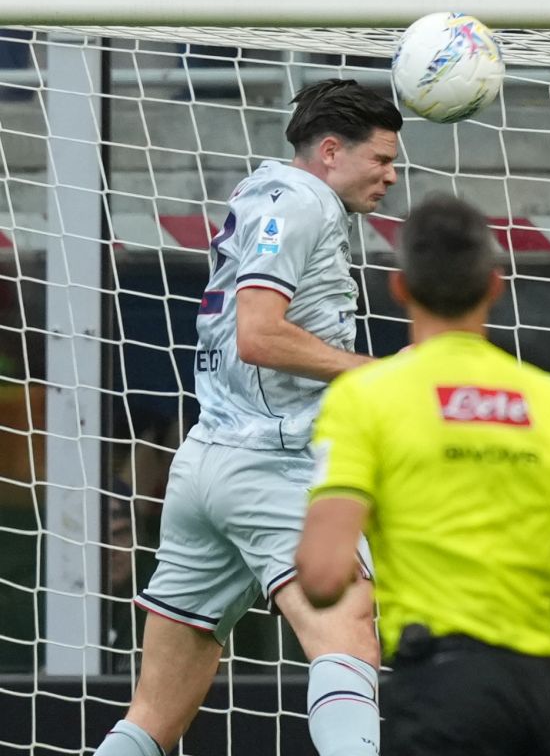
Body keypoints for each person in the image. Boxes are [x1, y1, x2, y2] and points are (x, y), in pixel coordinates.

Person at [294, 193, 550, 756]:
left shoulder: (366, 399)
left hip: (437, 687)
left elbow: (320, 576)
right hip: (538, 692)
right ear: (494, 285)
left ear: (400, 289)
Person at [93, 78, 405, 756]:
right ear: (330, 151)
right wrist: (380, 374)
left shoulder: (261, 191)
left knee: (153, 717)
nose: (392, 174)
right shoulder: (302, 205)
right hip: (275, 460)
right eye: (381, 158)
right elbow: (259, 335)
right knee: (348, 638)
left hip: (206, 463)